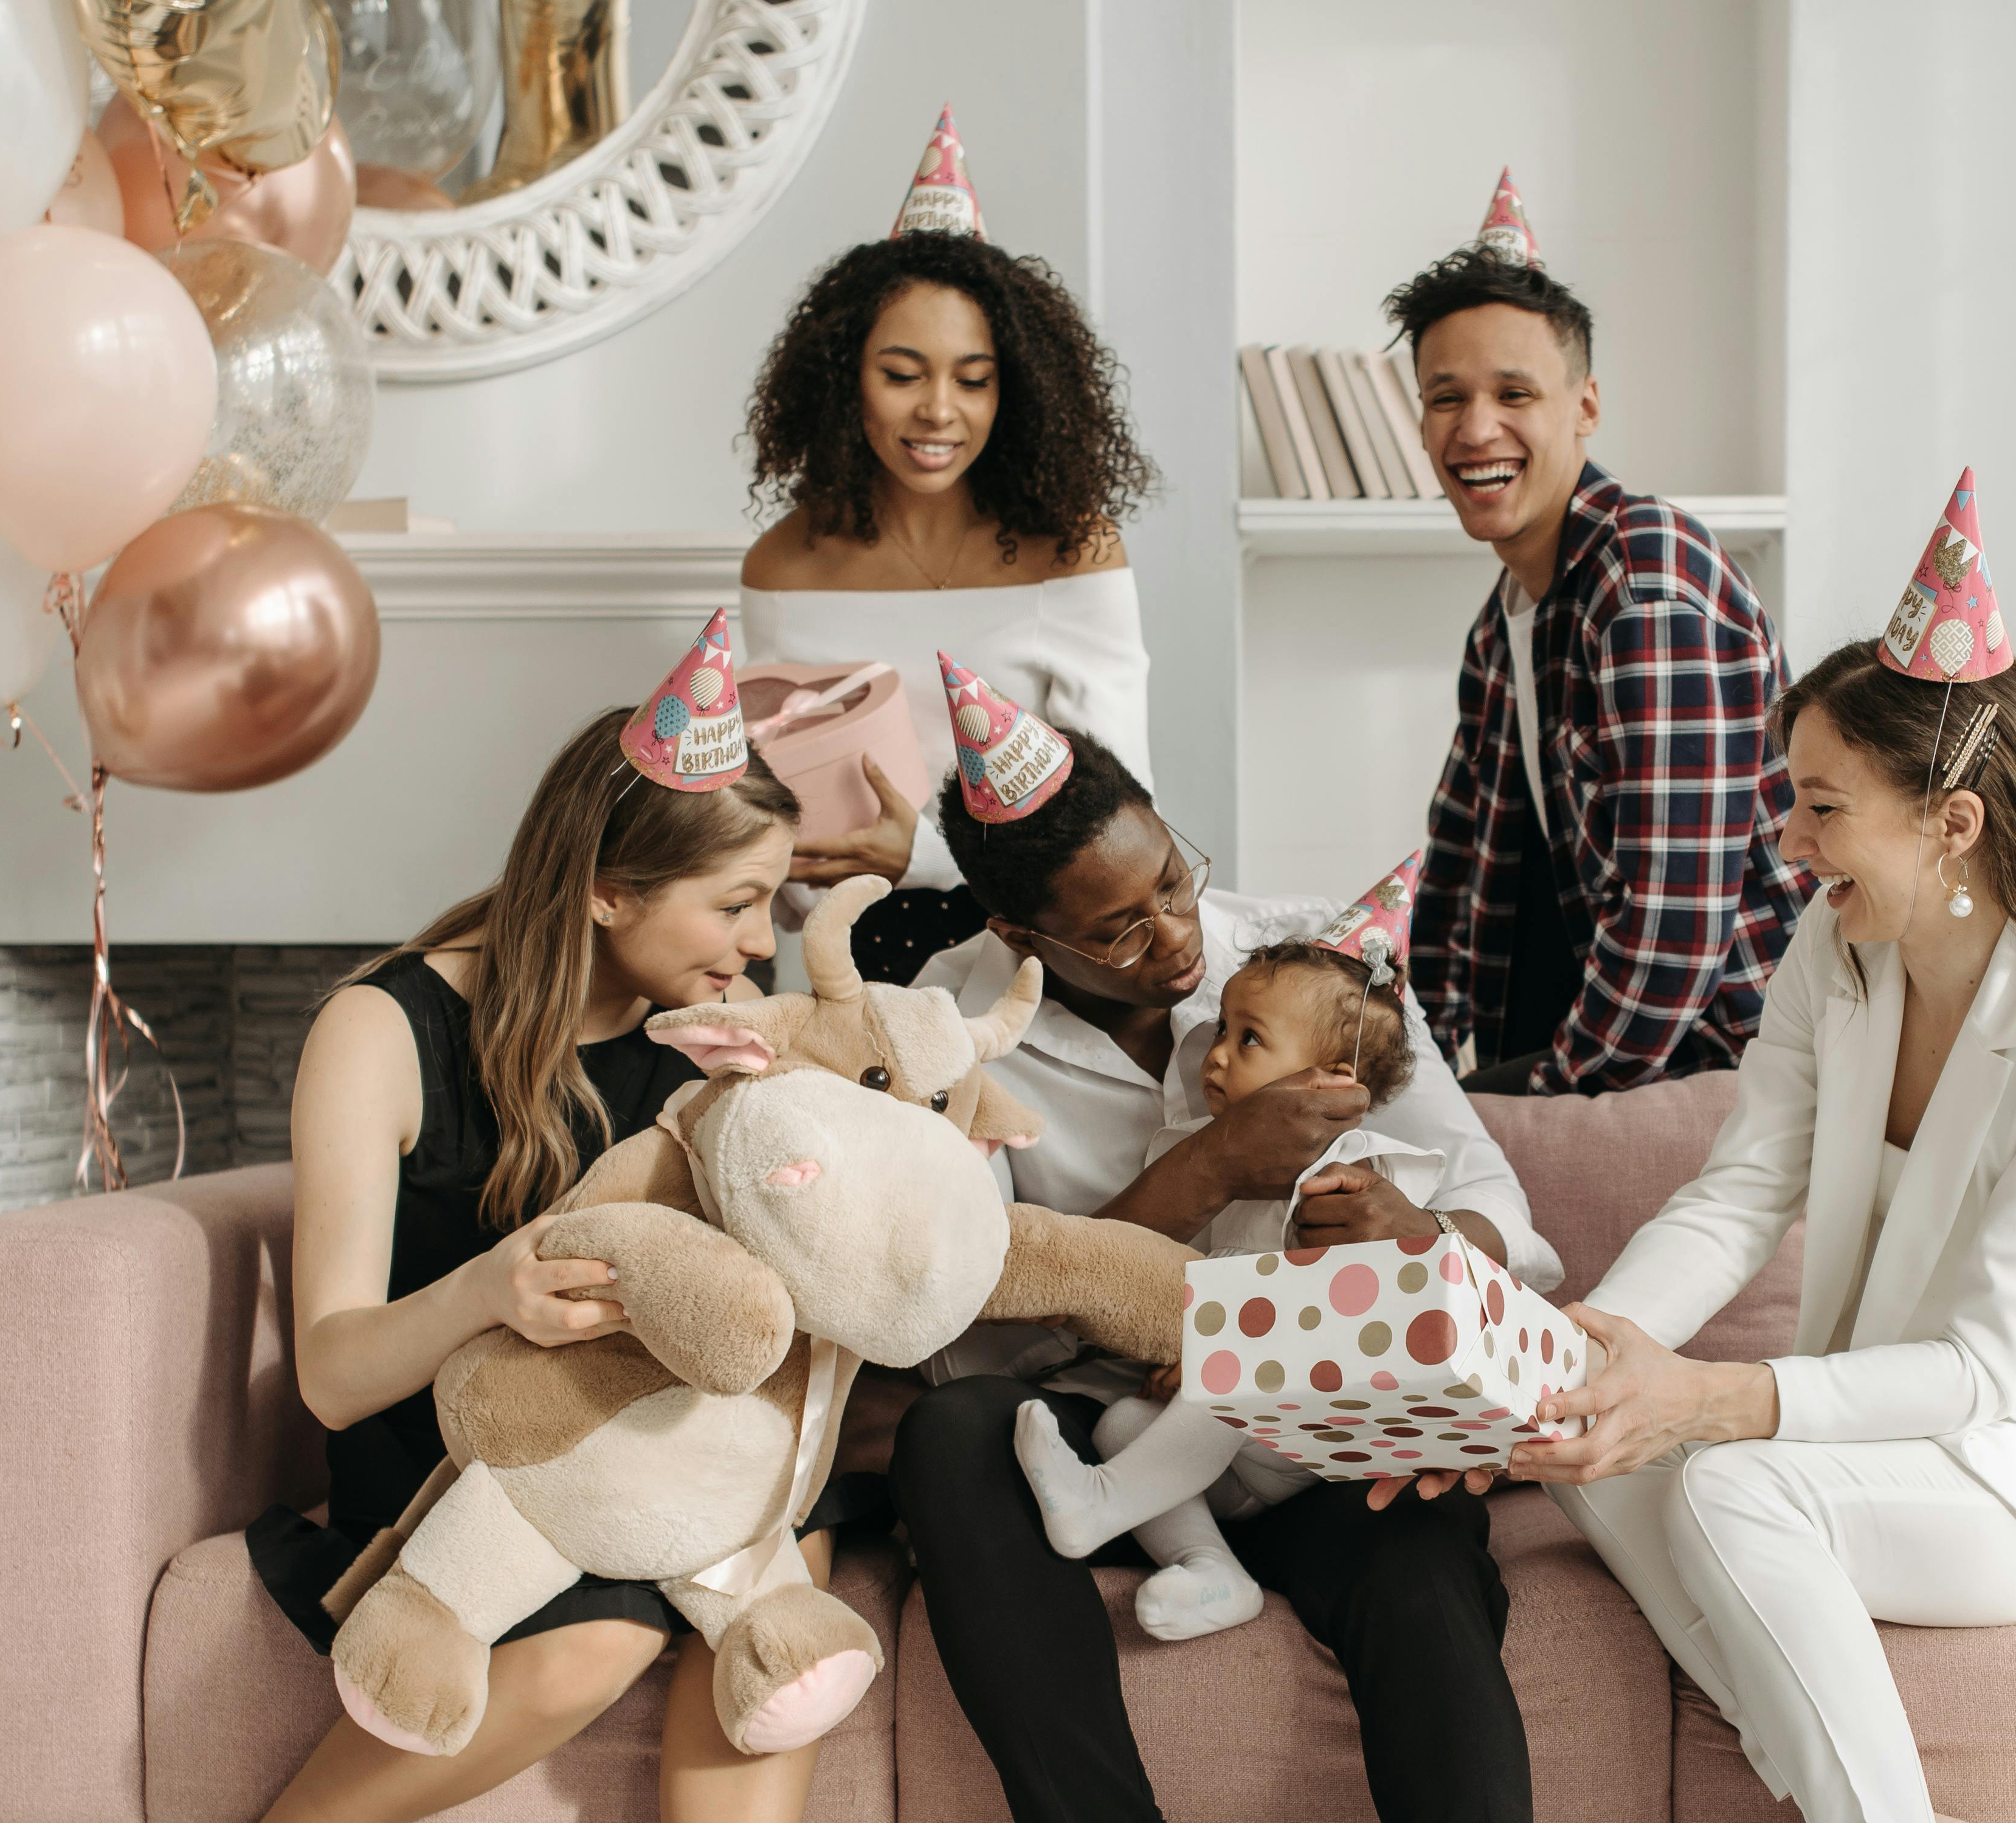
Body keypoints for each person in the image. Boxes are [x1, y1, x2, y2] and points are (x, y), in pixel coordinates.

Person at [1505, 476, 2016, 1823]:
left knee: (1732, 1490)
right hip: (1901, 1419)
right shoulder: (1835, 954)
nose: (1784, 847)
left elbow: (1976, 1369)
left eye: (1821, 808)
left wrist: (1710, 1399)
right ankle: (1824, 1765)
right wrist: (1585, 1350)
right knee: (1595, 1460)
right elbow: (1739, 1192)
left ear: (1948, 821)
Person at [896, 660, 1558, 1823]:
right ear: (1018, 932)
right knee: (950, 1435)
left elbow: (1506, 1220)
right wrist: (1200, 1172)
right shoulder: (945, 1027)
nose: (1175, 937)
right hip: (1101, 1440)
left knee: (1417, 1548)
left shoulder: (1306, 966)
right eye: (1120, 929)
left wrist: (1423, 1232)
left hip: (1312, 1423)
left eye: (1173, 878)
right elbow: (953, 1340)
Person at [250, 613, 849, 1823]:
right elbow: (329, 1371)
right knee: (602, 1637)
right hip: (465, 1466)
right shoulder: (382, 1029)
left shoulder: (721, 1025)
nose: (754, 943)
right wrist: (488, 1288)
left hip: (674, 1446)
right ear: (605, 886)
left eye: (772, 905)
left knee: (775, 1637)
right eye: (735, 902)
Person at [1387, 172, 1811, 1097]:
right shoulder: (1503, 624)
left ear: (1585, 407)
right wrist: (1401, 1058)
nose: (1476, 428)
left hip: (1735, 1070)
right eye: (1445, 397)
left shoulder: (1646, 581)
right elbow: (1459, 871)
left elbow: (1672, 929)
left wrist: (1536, 1108)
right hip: (1611, 1046)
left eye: (1514, 392)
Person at [739, 105, 1157, 983]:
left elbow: (1119, 818)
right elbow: (774, 788)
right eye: (902, 374)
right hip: (835, 959)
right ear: (843, 379)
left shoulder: (1072, 557)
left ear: (1021, 392)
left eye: (974, 380)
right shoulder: (783, 569)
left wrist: (920, 855)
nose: (938, 410)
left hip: (1024, 950)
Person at [1012, 864, 1435, 1644]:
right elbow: (1193, 1281)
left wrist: (1218, 1350)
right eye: (1221, 1029)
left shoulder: (1350, 1173)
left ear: (1329, 1081)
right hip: (1235, 1445)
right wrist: (1191, 1343)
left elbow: (1333, 1310)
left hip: (1324, 1434)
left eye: (1249, 1040)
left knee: (1239, 1370)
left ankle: (1102, 1503)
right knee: (1121, 1420)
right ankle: (1212, 1569)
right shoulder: (1204, 1152)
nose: (1215, 1054)